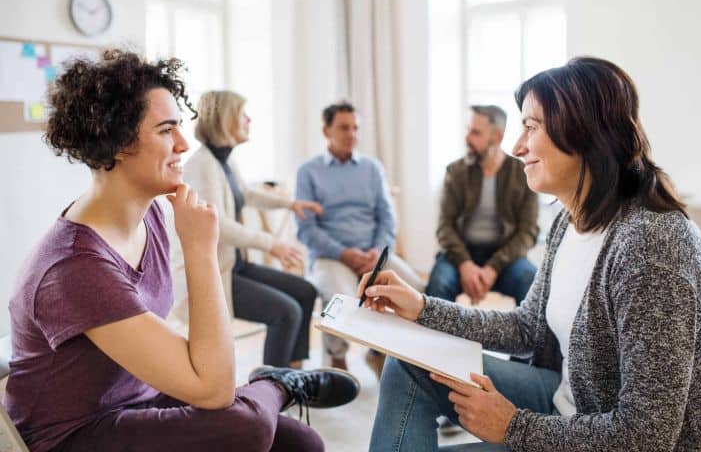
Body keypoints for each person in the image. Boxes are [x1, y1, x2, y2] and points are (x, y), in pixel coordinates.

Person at [360, 57, 701, 451]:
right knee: (407, 364)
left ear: (583, 134)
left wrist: (514, 426)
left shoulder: (651, 246)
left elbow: (648, 435)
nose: (517, 147)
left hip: (606, 434)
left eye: (530, 127)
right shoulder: (570, 220)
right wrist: (420, 307)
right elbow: (528, 329)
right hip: (572, 407)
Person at [5, 50, 359, 452]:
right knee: (249, 428)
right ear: (119, 143)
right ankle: (275, 383)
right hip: (74, 435)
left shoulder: (153, 216)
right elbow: (214, 390)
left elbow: (196, 369)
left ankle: (269, 386)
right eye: (166, 130)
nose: (183, 143)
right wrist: (200, 249)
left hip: (134, 398)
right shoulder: (75, 268)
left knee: (300, 440)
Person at [169, 89, 321, 368]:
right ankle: (269, 389)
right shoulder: (201, 166)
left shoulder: (223, 160)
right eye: (243, 114)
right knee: (286, 312)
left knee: (305, 291)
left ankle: (293, 374)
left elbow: (246, 194)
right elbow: (219, 224)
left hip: (235, 265)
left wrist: (290, 204)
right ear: (226, 120)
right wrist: (271, 244)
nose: (249, 120)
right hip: (216, 274)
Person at [295, 101, 424, 374]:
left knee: (413, 287)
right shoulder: (308, 171)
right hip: (332, 256)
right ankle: (337, 358)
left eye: (355, 128)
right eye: (344, 127)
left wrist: (377, 251)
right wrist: (344, 253)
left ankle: (380, 352)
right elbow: (307, 230)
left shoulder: (372, 168)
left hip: (372, 254)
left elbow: (388, 218)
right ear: (326, 130)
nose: (351, 134)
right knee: (339, 296)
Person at [428, 104, 538, 307]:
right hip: (460, 253)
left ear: (497, 137)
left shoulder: (522, 174)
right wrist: (465, 264)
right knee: (438, 284)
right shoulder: (455, 172)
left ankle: (528, 340)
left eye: (475, 132)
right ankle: (438, 340)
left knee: (530, 280)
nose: (467, 138)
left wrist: (493, 267)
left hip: (505, 256)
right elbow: (445, 228)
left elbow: (528, 231)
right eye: (467, 130)